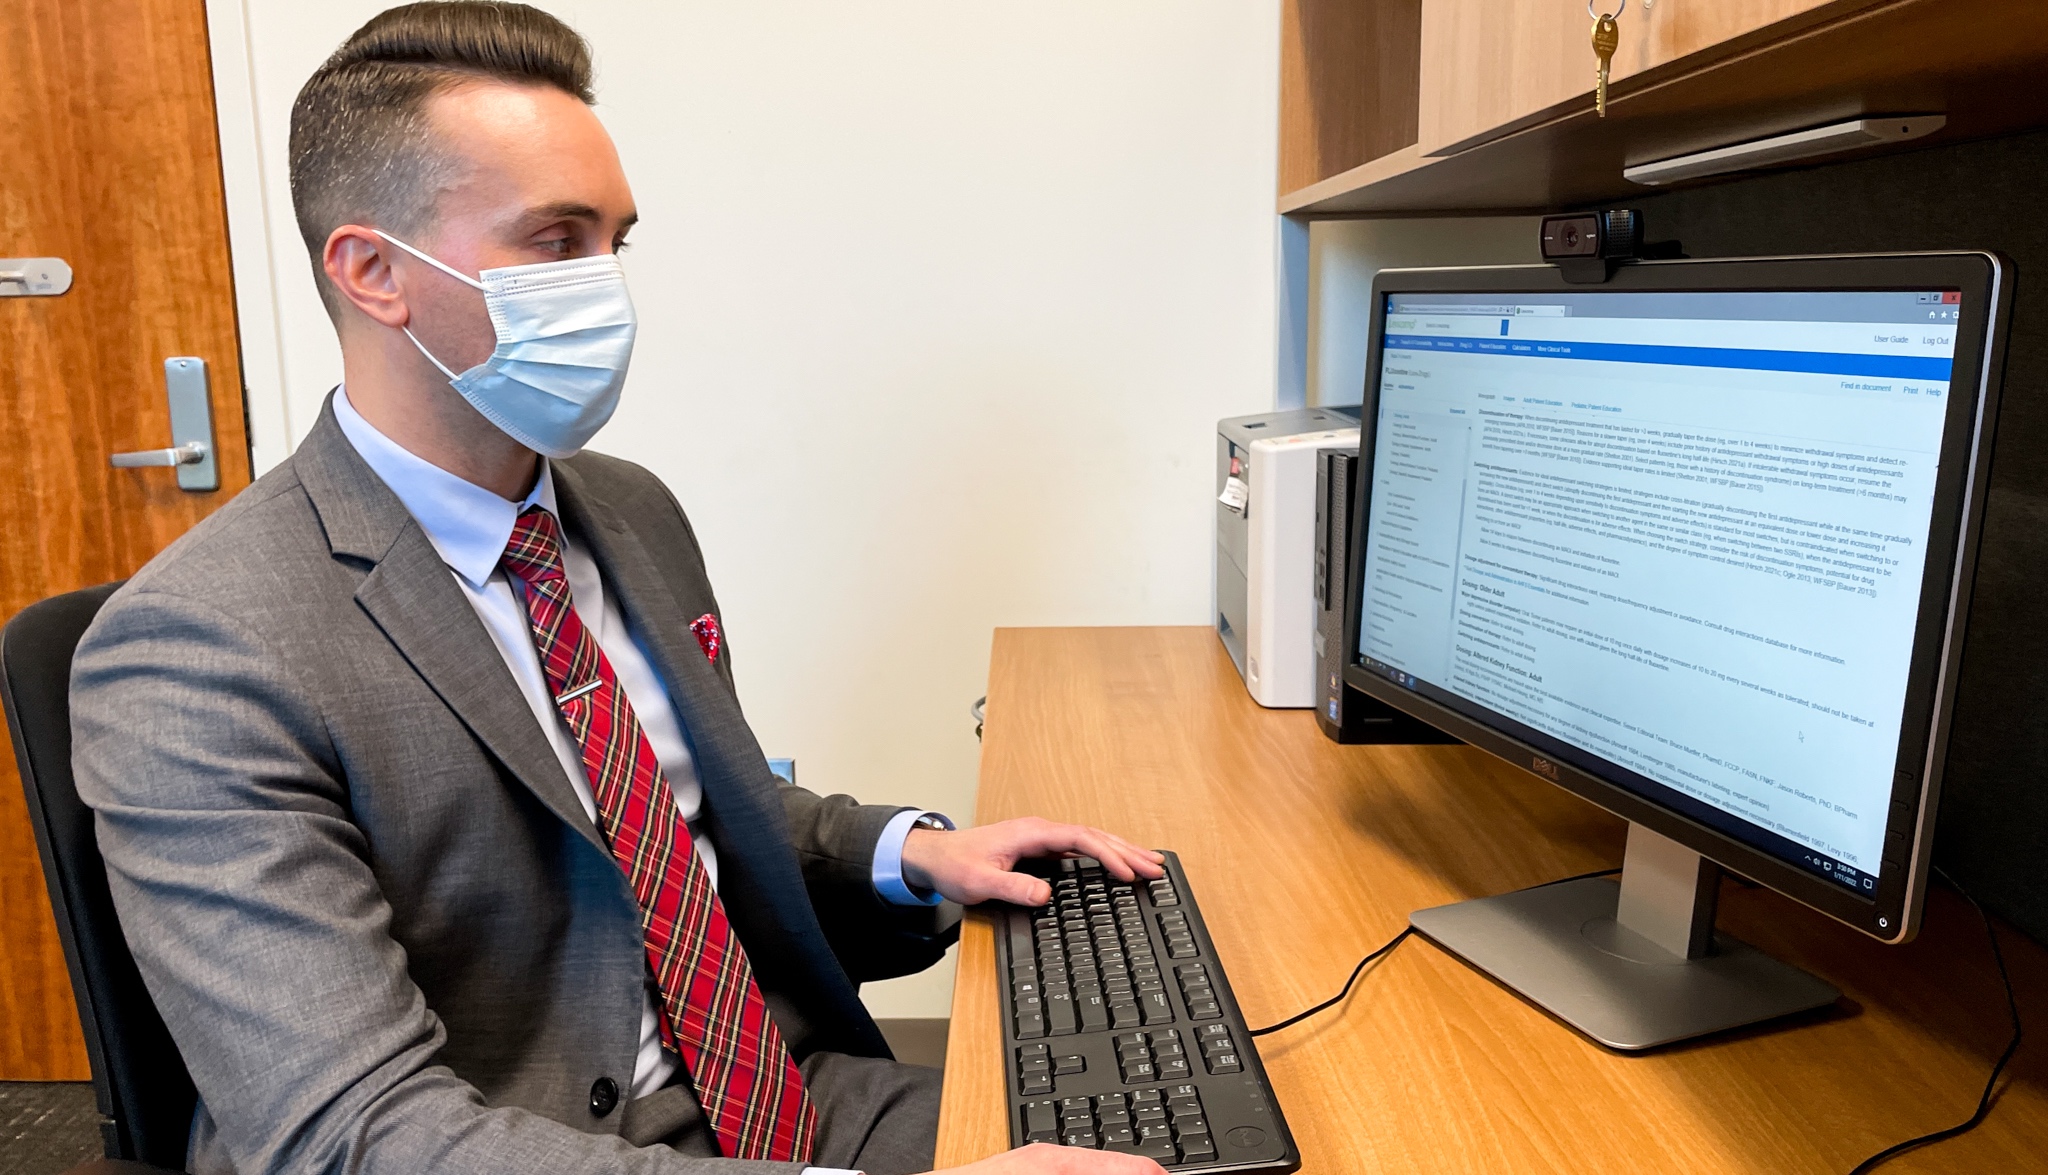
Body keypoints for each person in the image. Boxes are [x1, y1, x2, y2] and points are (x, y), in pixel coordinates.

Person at [70, 4, 1169, 1173]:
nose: (604, 288)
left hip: (784, 1089)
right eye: (555, 241)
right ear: (373, 271)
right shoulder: (200, 650)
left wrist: (908, 853)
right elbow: (354, 1135)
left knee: (1184, 1121)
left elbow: (674, 821)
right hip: (519, 1146)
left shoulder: (627, 510)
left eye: (614, 242)